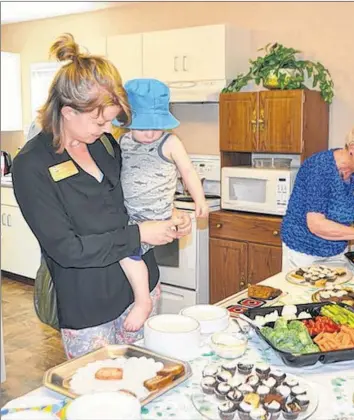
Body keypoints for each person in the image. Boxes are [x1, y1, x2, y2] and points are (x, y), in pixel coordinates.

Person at [11, 33, 191, 359]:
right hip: (89, 307)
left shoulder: (104, 144)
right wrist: (140, 233)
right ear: (67, 112)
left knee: (147, 383)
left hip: (141, 288)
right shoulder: (32, 165)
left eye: (112, 120)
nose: (109, 129)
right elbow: (67, 250)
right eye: (101, 120)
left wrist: (170, 212)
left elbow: (133, 194)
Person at [113, 78, 208, 331]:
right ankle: (143, 298)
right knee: (129, 255)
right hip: (131, 216)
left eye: (156, 126)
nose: (150, 133)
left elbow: (187, 171)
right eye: (143, 126)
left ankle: (142, 301)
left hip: (158, 215)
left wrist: (199, 200)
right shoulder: (123, 141)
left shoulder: (170, 143)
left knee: (129, 255)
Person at [280, 118, 354, 271]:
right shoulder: (319, 168)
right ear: (353, 148)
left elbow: (346, 202)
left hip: (336, 249)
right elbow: (316, 224)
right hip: (304, 250)